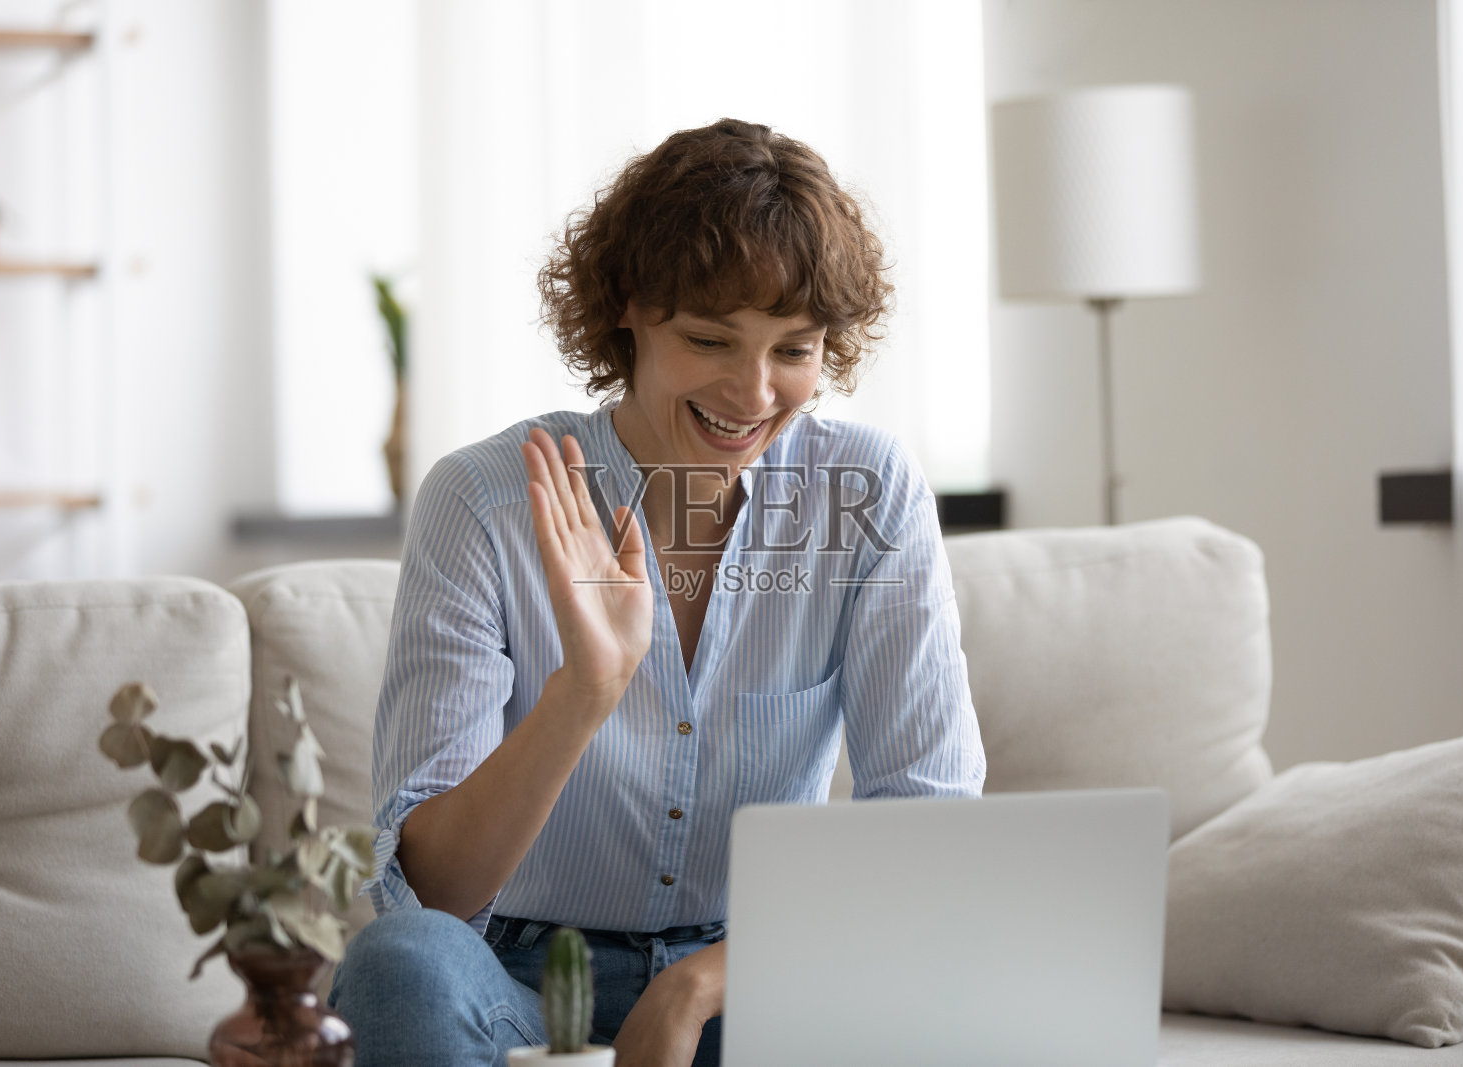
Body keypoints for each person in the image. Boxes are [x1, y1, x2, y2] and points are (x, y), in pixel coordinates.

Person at [330, 118, 985, 1067]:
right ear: (629, 310)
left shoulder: (869, 491)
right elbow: (432, 894)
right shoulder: (481, 500)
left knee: (945, 986)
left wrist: (697, 984)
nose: (753, 394)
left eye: (793, 350)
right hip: (517, 977)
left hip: (758, 973)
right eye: (711, 339)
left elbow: (928, 826)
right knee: (400, 966)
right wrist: (584, 689)